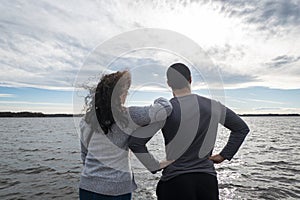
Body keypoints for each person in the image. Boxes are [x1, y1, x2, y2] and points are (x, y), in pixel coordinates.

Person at [128, 63, 250, 200]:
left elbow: (135, 142)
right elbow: (241, 129)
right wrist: (223, 155)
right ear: (190, 79)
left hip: (175, 181)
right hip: (207, 182)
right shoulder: (212, 106)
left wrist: (155, 165)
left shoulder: (166, 111)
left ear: (169, 83)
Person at [79, 70, 173, 200]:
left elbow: (84, 155)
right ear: (117, 95)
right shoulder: (129, 116)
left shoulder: (86, 120)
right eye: (125, 91)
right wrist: (159, 99)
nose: (126, 95)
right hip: (117, 190)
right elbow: (165, 109)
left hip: (87, 186)